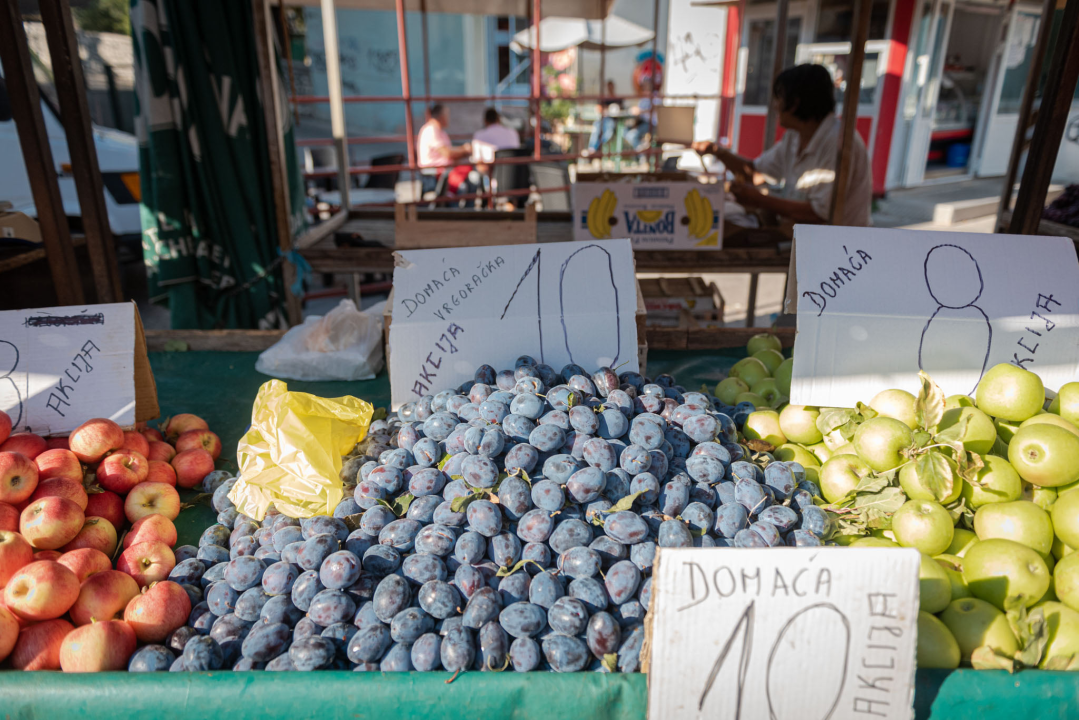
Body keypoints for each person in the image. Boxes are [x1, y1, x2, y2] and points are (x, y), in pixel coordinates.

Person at [691, 64, 871, 227]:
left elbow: (818, 213)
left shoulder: (838, 142)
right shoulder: (794, 136)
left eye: (779, 98)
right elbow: (755, 173)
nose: (775, 106)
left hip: (840, 250)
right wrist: (718, 152)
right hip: (803, 240)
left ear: (794, 103)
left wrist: (759, 200)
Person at [417, 103, 472, 194]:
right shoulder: (431, 130)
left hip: (444, 171)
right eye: (447, 115)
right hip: (435, 174)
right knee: (462, 187)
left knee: (471, 182)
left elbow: (449, 153)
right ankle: (453, 207)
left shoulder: (440, 131)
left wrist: (464, 151)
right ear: (441, 116)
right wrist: (464, 149)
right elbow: (447, 153)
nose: (448, 118)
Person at [587, 80, 622, 153]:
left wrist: (609, 109)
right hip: (603, 119)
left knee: (607, 132)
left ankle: (596, 147)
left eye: (611, 86)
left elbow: (620, 110)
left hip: (613, 121)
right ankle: (592, 148)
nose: (610, 88)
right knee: (596, 127)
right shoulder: (604, 99)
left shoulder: (618, 99)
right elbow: (598, 108)